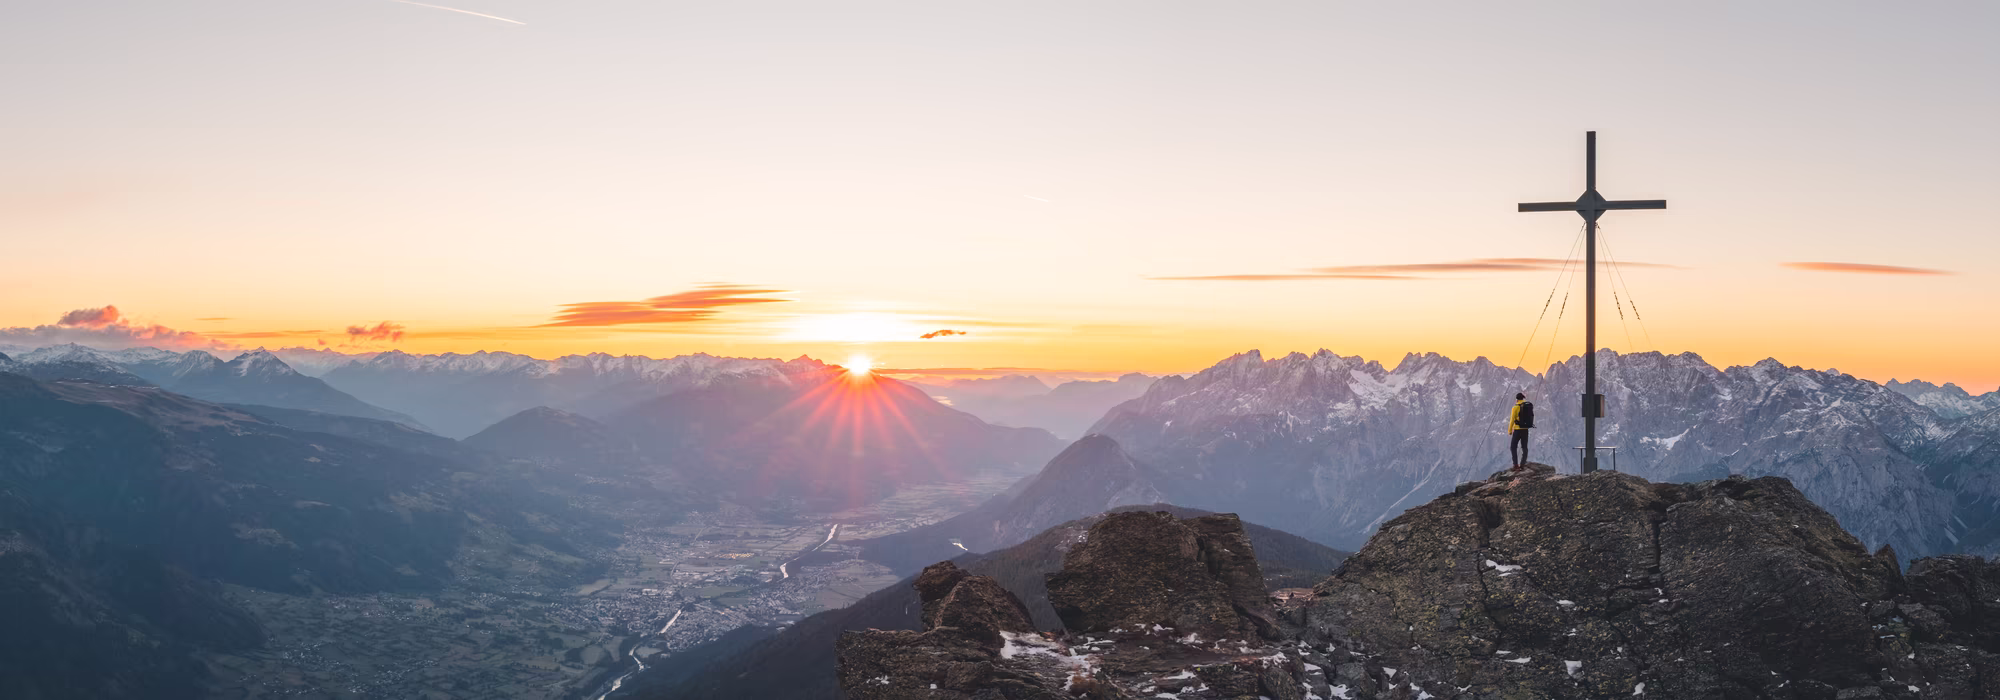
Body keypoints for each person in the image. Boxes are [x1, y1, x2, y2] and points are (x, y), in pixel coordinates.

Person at [1507, 392, 1532, 470]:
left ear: (1517, 400)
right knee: (1524, 447)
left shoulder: (1515, 407)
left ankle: (1515, 465)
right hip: (1525, 429)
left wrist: (1510, 430)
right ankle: (1522, 465)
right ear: (1523, 398)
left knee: (1513, 447)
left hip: (1517, 430)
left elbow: (1512, 420)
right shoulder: (1528, 406)